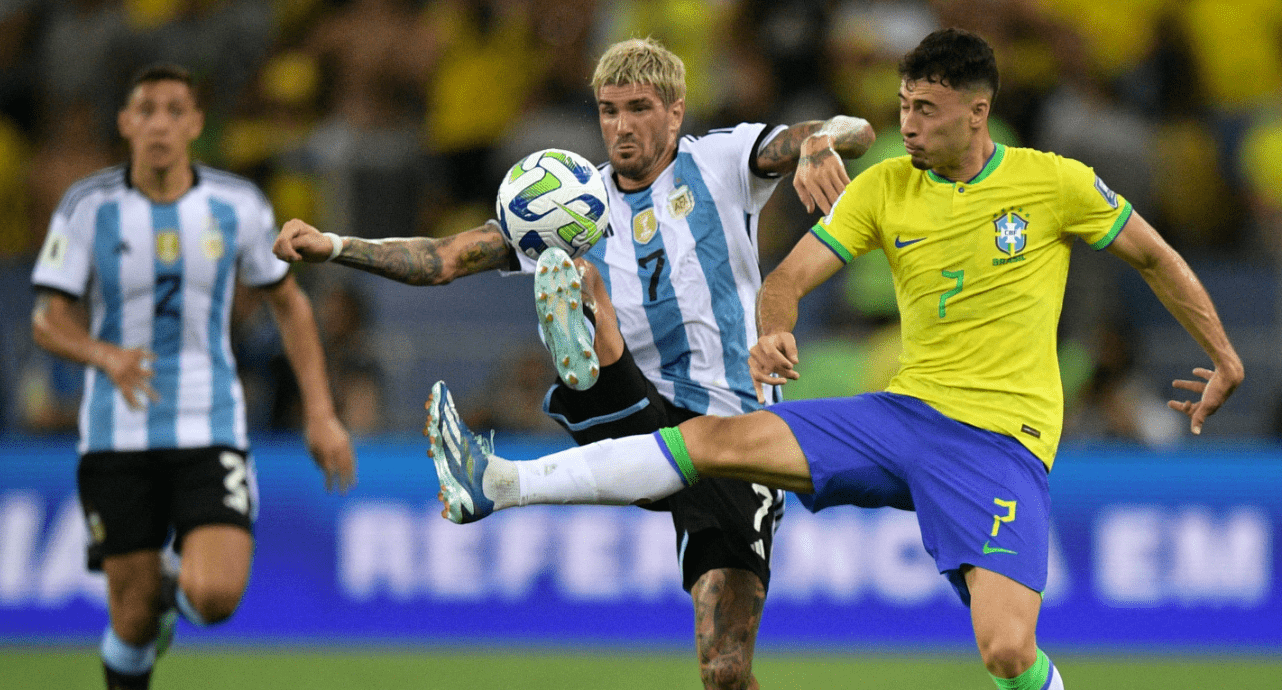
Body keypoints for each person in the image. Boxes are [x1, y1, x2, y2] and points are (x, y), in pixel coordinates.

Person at [422, 29, 1244, 690]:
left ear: (977, 112)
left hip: (999, 445)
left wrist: (1223, 355)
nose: (907, 125)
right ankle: (500, 482)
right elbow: (787, 278)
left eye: (925, 110)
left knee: (1005, 651)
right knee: (715, 439)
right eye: (903, 105)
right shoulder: (884, 186)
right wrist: (774, 329)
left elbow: (1155, 256)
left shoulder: (1054, 183)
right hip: (902, 417)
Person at [273, 37, 874, 690]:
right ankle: (588, 332)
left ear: (675, 111)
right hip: (639, 419)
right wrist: (336, 244)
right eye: (609, 110)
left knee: (725, 672)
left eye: (639, 108)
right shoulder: (571, 203)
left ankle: (581, 328)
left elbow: (855, 129)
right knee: (580, 280)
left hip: (735, 432)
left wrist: (820, 140)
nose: (621, 126)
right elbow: (442, 258)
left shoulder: (722, 159)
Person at [30, 64, 356, 690]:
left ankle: (167, 594)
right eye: (146, 110)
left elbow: (289, 304)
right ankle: (148, 610)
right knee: (130, 619)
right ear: (126, 123)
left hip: (211, 425)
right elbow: (47, 319)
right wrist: (105, 356)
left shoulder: (237, 205)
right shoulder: (87, 206)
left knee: (214, 597)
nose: (160, 123)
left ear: (195, 125)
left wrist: (320, 414)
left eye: (174, 110)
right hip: (116, 432)